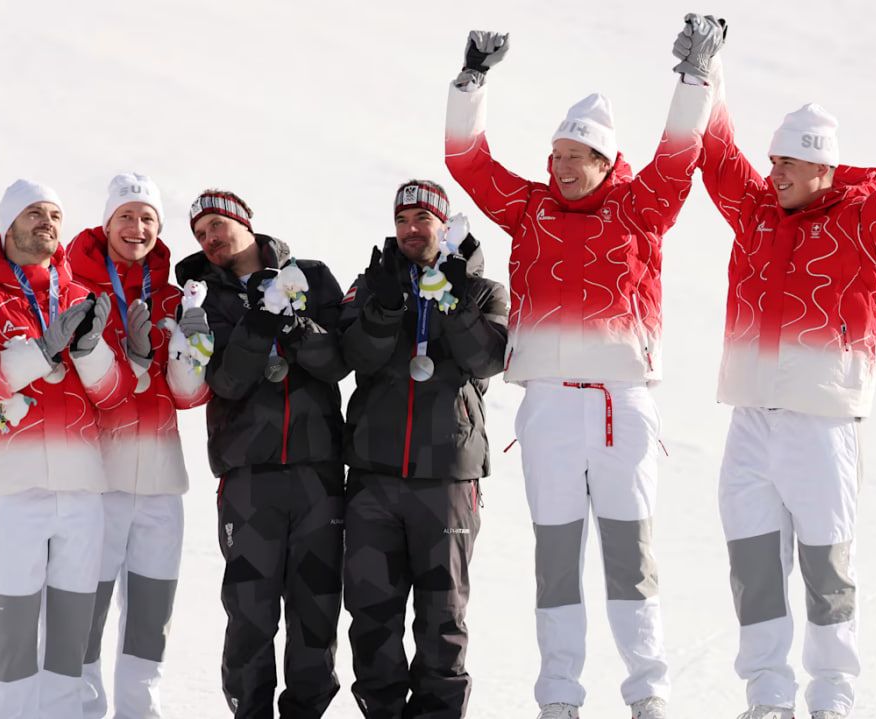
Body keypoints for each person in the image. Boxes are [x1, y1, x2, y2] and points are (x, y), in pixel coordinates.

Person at [443, 20, 724, 719]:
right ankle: (560, 697)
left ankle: (648, 691)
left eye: (578, 156)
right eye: (556, 154)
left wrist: (695, 80)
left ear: (605, 161)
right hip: (548, 409)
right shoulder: (530, 209)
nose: (562, 167)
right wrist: (471, 82)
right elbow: (468, 163)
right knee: (558, 556)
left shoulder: (640, 207)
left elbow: (679, 154)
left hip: (621, 404)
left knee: (630, 555)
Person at [684, 14, 876, 719]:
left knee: (828, 569)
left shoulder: (865, 225)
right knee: (755, 564)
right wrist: (709, 71)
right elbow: (716, 153)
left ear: (823, 167)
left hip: (822, 425)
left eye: (788, 165)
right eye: (773, 163)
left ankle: (832, 700)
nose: (773, 175)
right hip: (750, 421)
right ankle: (768, 696)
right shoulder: (758, 214)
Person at [0, 179, 129, 718]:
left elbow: (112, 395)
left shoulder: (79, 301)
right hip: (10, 490)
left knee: (71, 640)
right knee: (15, 634)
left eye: (55, 214)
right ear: (8, 225)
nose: (47, 221)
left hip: (81, 494)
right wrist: (39, 351)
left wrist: (90, 350)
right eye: (34, 213)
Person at [174, 189, 348, 718]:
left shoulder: (310, 277)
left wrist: (294, 323)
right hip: (248, 474)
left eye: (216, 226)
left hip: (317, 472)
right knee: (250, 614)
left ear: (245, 222)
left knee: (315, 610)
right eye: (201, 235)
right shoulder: (201, 298)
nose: (210, 240)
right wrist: (259, 323)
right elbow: (224, 380)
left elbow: (337, 362)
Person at [338, 180, 508, 719]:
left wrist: (455, 303)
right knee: (371, 614)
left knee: (444, 614)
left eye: (423, 219)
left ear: (444, 223)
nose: (412, 230)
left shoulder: (484, 289)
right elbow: (350, 357)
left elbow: (489, 360)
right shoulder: (372, 283)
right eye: (403, 220)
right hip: (373, 477)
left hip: (447, 478)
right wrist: (384, 308)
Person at [66, 173, 213, 718]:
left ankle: (140, 711)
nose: (137, 227)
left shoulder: (174, 297)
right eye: (127, 216)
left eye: (148, 217)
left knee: (151, 618)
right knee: (87, 615)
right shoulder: (77, 291)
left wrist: (190, 351)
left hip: (159, 485)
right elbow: (85, 389)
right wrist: (126, 356)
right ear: (106, 224)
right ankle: (81, 709)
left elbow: (188, 395)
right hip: (97, 481)